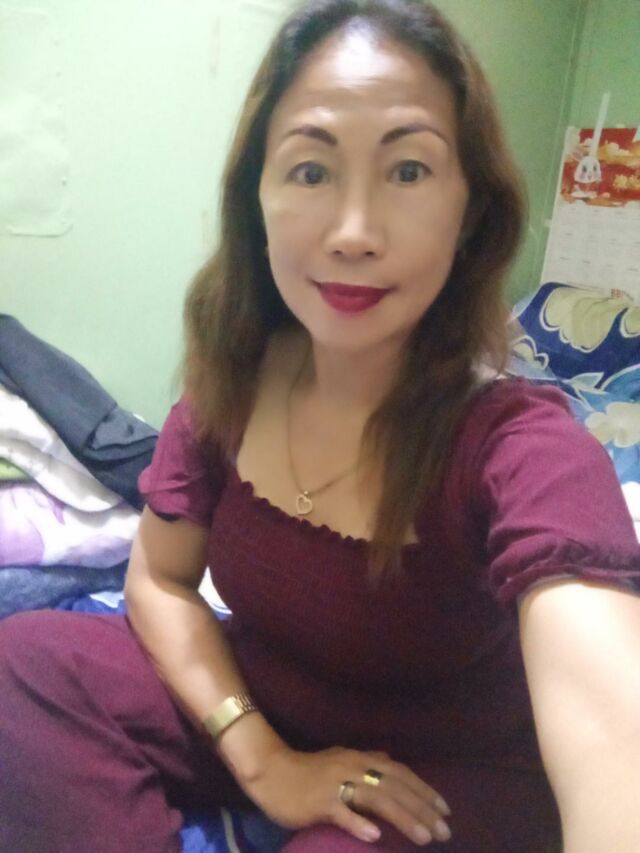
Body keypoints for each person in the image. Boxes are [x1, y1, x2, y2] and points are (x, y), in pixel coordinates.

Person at [1, 1, 640, 851]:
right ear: (256, 200)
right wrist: (262, 756)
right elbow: (158, 580)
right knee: (29, 663)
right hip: (269, 705)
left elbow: (614, 739)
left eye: (408, 170)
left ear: (470, 213)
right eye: (310, 170)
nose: (353, 232)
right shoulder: (232, 385)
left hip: (443, 775)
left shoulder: (522, 448)